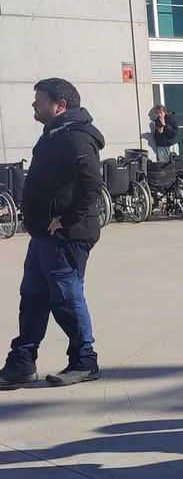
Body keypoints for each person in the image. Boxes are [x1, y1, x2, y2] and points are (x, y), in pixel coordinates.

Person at [0, 78, 104, 390]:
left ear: (60, 105)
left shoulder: (76, 137)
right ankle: (22, 362)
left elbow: (91, 183)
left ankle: (84, 361)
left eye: (39, 99)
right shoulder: (55, 133)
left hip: (65, 236)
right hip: (43, 235)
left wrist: (67, 219)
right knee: (33, 297)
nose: (34, 104)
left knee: (66, 298)